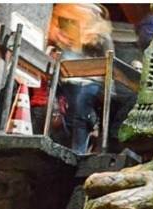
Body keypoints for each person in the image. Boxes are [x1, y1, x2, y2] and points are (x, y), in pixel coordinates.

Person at [47, 4, 114, 155]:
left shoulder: (100, 34)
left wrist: (108, 90)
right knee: (67, 114)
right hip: (66, 78)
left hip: (90, 81)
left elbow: (109, 60)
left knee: (80, 109)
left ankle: (79, 151)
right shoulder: (60, 24)